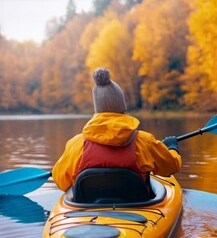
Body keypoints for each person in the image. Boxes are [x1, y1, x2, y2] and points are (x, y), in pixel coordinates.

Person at [52, 67, 182, 193]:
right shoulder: (144, 141)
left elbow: (61, 182)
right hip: (137, 207)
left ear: (97, 108)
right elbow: (171, 168)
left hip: (89, 208)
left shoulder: (76, 144)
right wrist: (172, 148)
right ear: (122, 106)